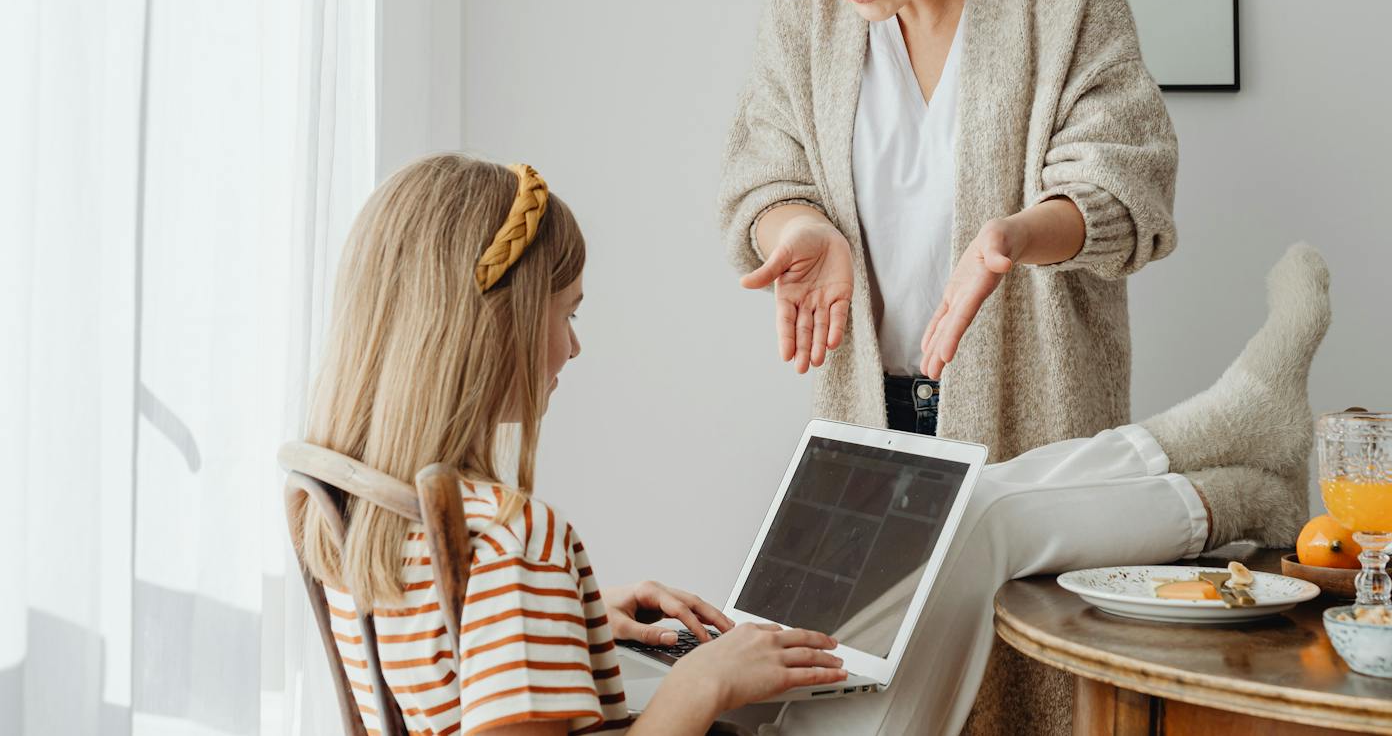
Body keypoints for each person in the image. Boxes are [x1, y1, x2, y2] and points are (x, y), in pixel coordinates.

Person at [290, 154, 1329, 735]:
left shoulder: (353, 509)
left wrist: (580, 620)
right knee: (963, 522)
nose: (572, 341)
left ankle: (1241, 456)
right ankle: (1236, 464)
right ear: (482, 331)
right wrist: (700, 686)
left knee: (955, 504)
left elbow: (458, 680)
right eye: (562, 310)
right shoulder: (507, 532)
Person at [720, 0, 1177, 462]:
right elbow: (765, 171)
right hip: (867, 415)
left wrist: (1017, 237)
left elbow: (1123, 186)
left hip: (1042, 418)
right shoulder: (801, 1)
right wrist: (803, 225)